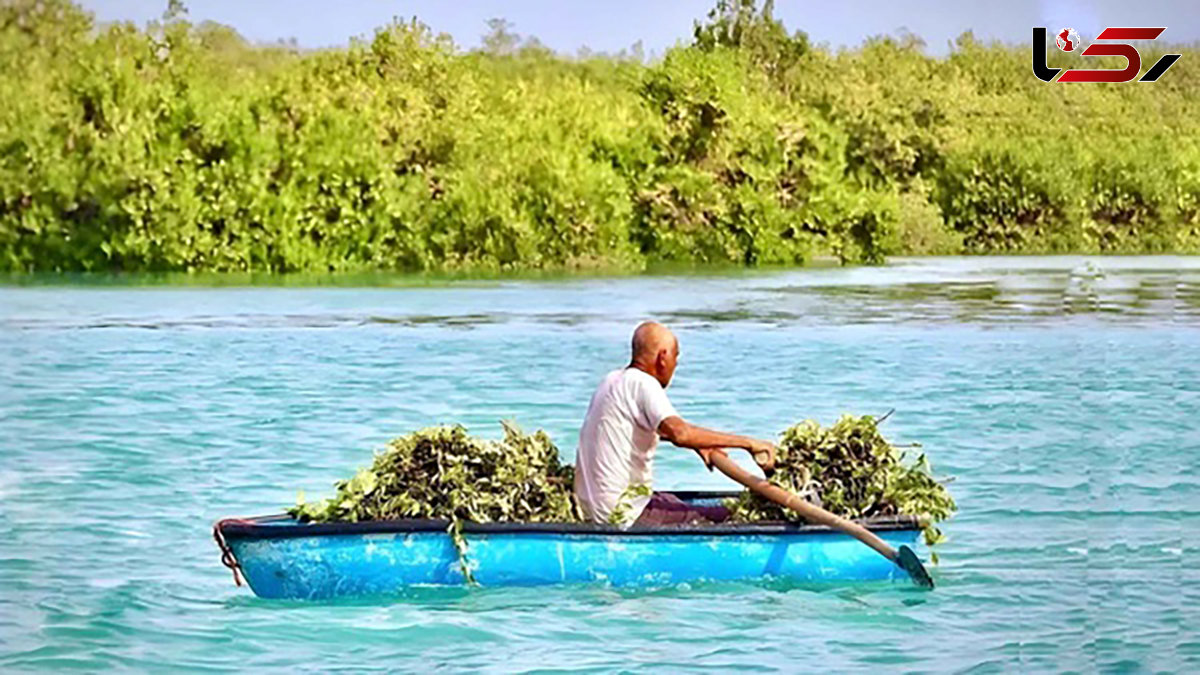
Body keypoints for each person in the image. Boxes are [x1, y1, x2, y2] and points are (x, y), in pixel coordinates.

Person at [574, 321, 777, 527]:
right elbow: (680, 433)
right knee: (728, 515)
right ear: (662, 358)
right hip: (624, 514)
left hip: (594, 507)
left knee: (672, 502)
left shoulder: (611, 380)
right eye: (675, 356)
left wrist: (700, 444)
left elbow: (638, 429)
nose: (676, 365)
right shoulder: (644, 383)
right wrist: (749, 443)